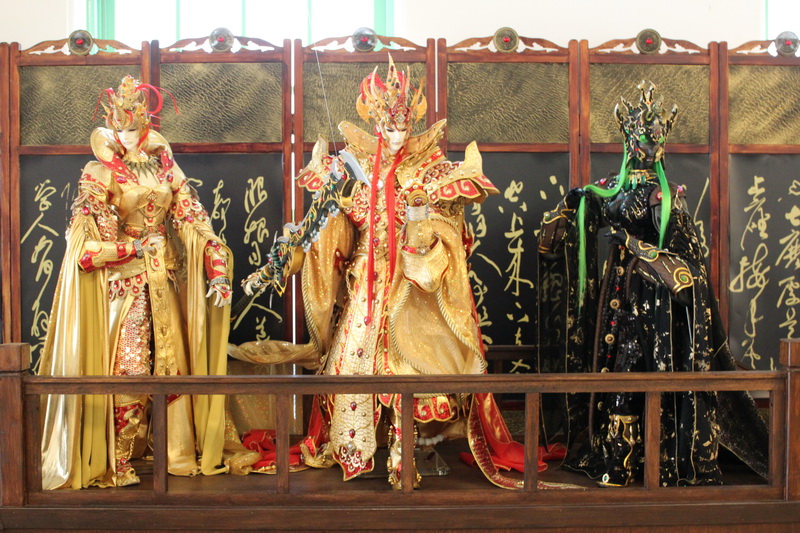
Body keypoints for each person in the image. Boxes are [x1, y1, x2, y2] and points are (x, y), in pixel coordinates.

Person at [240, 56, 532, 490]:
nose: (397, 137)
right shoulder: (351, 167)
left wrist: (426, 220)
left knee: (409, 364)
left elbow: (459, 210)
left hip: (410, 284)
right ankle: (356, 445)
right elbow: (316, 226)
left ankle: (404, 450)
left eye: (403, 127)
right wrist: (282, 259)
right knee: (353, 362)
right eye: (389, 127)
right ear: (376, 123)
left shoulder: (428, 166)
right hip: (364, 283)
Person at [538, 81, 768, 487]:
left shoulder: (666, 196)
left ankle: (636, 456)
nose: (653, 147)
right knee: (610, 363)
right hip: (614, 293)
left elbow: (686, 260)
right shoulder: (615, 185)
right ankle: (612, 450)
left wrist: (631, 244)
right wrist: (571, 208)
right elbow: (589, 210)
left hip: (649, 298)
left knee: (633, 365)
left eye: (658, 140)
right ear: (631, 141)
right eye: (647, 139)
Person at [38, 75, 235, 489]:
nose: (127, 138)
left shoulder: (165, 167)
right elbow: (85, 243)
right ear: (111, 129)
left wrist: (216, 266)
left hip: (166, 278)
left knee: (172, 365)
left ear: (145, 126)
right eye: (120, 129)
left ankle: (173, 451)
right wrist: (130, 248)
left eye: (133, 129)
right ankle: (120, 456)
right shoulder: (98, 171)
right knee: (129, 366)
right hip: (124, 284)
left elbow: (192, 217)